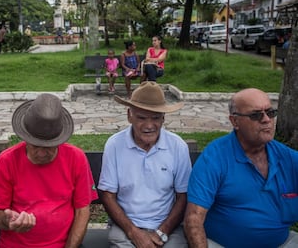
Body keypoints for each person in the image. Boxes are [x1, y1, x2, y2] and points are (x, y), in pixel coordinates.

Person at [184, 88, 298, 248]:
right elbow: (194, 219)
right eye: (256, 115)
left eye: (270, 113)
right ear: (235, 121)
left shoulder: (288, 158)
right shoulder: (216, 156)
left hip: (283, 243)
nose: (266, 120)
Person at [0, 93, 98, 247]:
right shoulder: (7, 160)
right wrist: (8, 220)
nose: (42, 153)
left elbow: (82, 211)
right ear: (25, 138)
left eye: (49, 147)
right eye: (35, 145)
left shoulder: (76, 158)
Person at [98, 81, 192, 248]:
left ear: (163, 118)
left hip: (167, 228)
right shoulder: (114, 144)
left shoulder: (177, 146)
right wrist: (134, 232)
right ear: (129, 115)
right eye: (141, 118)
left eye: (155, 118)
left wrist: (162, 232)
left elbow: (183, 196)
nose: (149, 125)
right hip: (126, 227)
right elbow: (107, 195)